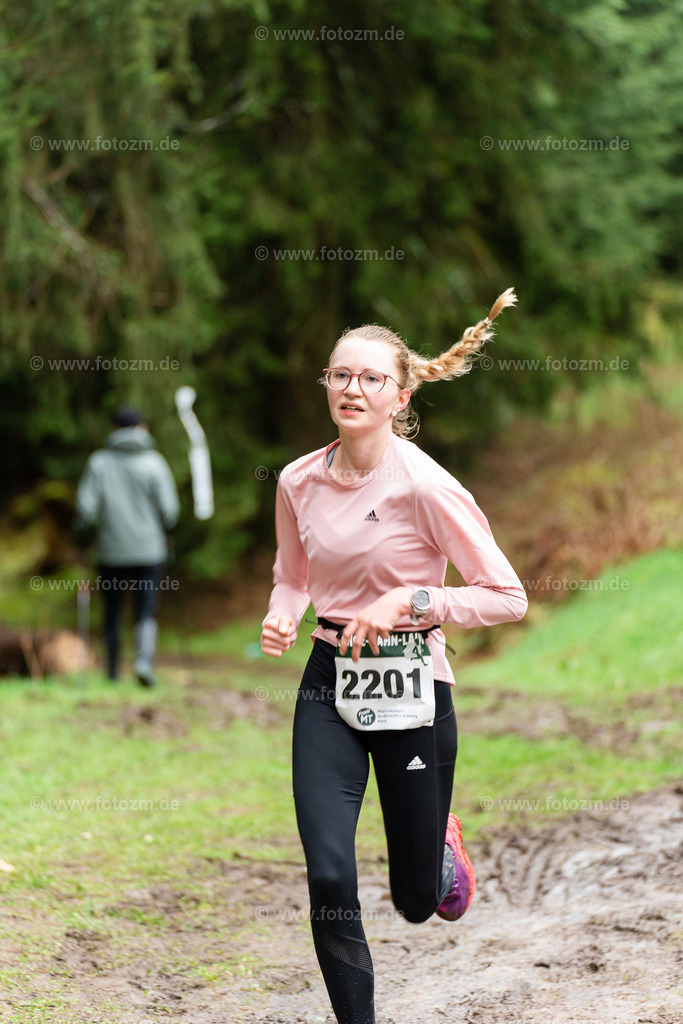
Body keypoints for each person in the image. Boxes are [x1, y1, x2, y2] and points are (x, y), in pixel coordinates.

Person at [260, 288, 528, 1024]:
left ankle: (439, 841)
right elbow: (292, 576)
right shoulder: (296, 480)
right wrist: (282, 617)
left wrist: (408, 604)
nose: (352, 388)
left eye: (370, 378)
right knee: (328, 870)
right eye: (339, 375)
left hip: (413, 682)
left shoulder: (426, 485)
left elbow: (506, 596)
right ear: (326, 385)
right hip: (328, 679)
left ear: (399, 395)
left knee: (417, 903)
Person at [75, 405, 180, 687]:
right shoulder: (154, 462)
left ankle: (111, 670)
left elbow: (85, 509)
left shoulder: (99, 462)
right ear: (142, 428)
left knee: (112, 609)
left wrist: (86, 533)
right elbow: (170, 510)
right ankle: (144, 661)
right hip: (149, 550)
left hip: (111, 551)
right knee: (145, 608)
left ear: (113, 429)